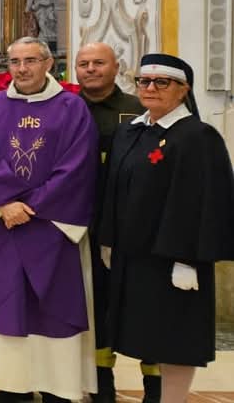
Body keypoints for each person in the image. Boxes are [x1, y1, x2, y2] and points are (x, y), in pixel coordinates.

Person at [0, 37, 99, 402]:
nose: (22, 69)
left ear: (48, 63)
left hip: (53, 228)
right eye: (15, 61)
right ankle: (12, 386)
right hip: (2, 227)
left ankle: (58, 386)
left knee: (55, 305)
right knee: (8, 306)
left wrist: (31, 207)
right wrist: (5, 204)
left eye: (30, 61)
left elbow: (77, 167)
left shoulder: (72, 108)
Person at [100, 54, 234, 403]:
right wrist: (109, 239)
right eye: (144, 81)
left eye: (162, 83)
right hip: (136, 258)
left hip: (174, 261)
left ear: (183, 89)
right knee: (149, 338)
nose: (150, 89)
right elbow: (113, 187)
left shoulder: (197, 136)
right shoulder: (132, 131)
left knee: (175, 341)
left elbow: (205, 202)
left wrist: (188, 259)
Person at [74, 42, 158, 402]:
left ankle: (154, 386)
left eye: (98, 63)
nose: (90, 69)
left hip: (134, 227)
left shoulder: (139, 110)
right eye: (84, 64)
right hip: (83, 225)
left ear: (116, 66)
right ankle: (101, 386)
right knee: (95, 306)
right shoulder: (67, 109)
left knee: (146, 307)